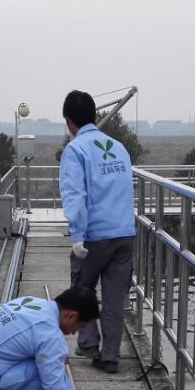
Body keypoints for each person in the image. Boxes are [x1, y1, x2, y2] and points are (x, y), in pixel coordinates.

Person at [59, 89, 136, 374]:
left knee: (81, 290)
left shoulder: (75, 150)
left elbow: (75, 195)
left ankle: (89, 345)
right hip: (125, 234)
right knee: (115, 300)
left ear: (69, 121)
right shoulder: (118, 147)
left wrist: (77, 236)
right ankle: (110, 358)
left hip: (95, 236)